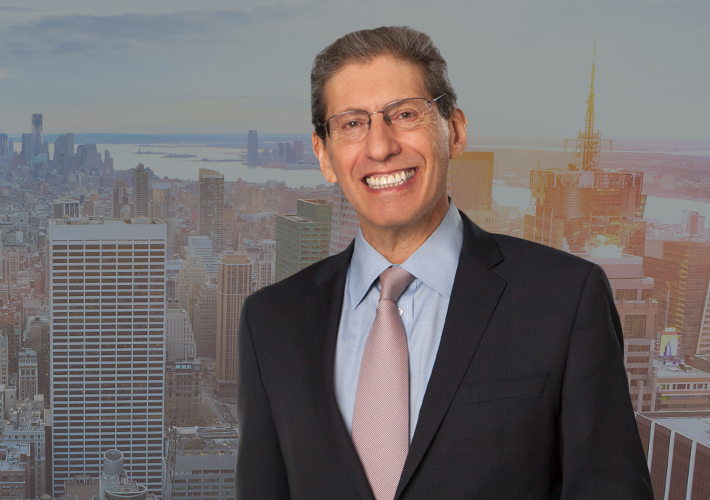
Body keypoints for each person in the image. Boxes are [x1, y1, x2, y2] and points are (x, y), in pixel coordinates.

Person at [236, 26, 652, 499]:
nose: (380, 146)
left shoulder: (565, 298)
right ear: (324, 155)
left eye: (406, 114)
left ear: (454, 130)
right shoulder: (271, 321)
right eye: (352, 123)